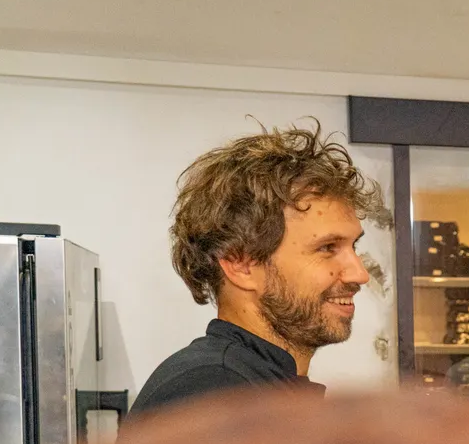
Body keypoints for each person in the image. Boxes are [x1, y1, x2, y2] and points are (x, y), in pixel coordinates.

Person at [130, 123, 389, 417]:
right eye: (327, 248)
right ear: (241, 265)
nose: (360, 274)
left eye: (354, 246)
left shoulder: (260, 387)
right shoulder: (214, 393)